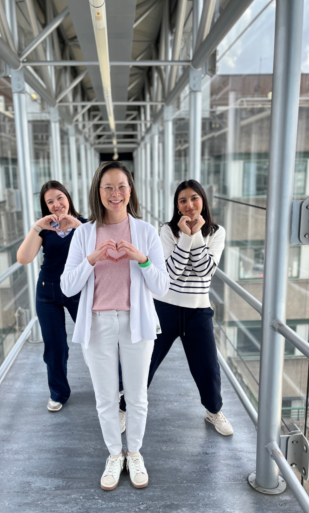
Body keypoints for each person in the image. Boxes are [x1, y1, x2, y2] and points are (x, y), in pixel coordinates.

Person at [60, 162, 169, 491]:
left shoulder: (147, 232)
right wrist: (91, 259)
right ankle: (113, 454)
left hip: (135, 323)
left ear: (130, 190)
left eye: (121, 186)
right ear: (98, 191)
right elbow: (67, 286)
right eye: (108, 187)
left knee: (137, 397)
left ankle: (134, 453)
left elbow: (162, 287)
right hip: (97, 324)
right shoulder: (83, 233)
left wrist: (143, 259)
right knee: (105, 398)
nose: (115, 193)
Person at [118, 180, 232, 436]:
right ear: (177, 206)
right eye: (183, 200)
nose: (189, 205)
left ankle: (214, 411)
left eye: (194, 198)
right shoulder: (167, 231)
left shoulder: (216, 232)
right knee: (145, 362)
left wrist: (196, 235)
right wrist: (185, 238)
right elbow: (170, 274)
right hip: (164, 308)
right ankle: (124, 407)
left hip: (198, 311)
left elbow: (205, 272)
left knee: (207, 367)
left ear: (203, 199)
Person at [16, 180, 87, 412]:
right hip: (48, 292)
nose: (56, 204)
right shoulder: (45, 228)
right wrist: (37, 226)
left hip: (78, 291)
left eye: (59, 198)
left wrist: (77, 225)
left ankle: (115, 386)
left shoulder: (85, 224)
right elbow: (24, 258)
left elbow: (95, 250)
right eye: (50, 202)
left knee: (95, 340)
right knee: (55, 346)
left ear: (68, 197)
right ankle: (58, 393)